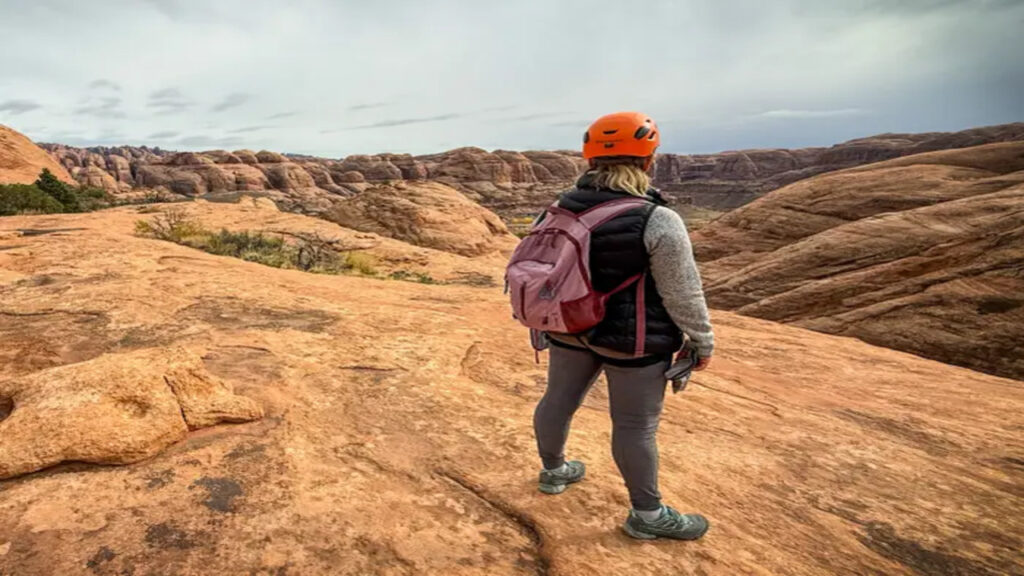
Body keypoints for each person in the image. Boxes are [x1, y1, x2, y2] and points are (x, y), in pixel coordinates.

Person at [531, 111, 714, 540]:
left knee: (557, 400)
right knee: (635, 426)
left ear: (589, 160)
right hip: (632, 342)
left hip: (568, 328)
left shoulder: (556, 209)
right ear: (648, 161)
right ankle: (647, 517)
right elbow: (682, 291)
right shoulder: (657, 219)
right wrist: (701, 340)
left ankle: (554, 472)